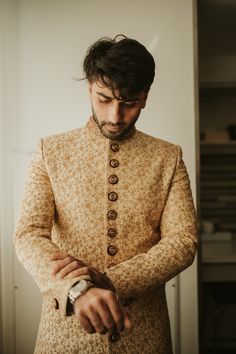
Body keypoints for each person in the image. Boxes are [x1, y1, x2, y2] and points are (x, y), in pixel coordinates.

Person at [14, 35, 198, 354]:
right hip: (64, 334)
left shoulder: (168, 157)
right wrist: (76, 288)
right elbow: (29, 234)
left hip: (144, 334)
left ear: (145, 97)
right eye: (104, 99)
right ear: (89, 88)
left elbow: (183, 241)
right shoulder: (50, 152)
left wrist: (112, 281)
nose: (115, 116)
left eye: (128, 103)